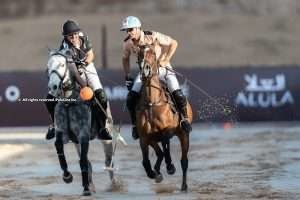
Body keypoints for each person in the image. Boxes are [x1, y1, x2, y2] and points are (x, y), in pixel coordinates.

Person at [120, 16, 192, 140]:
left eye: (131, 29)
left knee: (178, 93)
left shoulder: (152, 36)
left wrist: (166, 59)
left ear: (138, 28)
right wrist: (127, 76)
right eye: (126, 30)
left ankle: (184, 119)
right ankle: (135, 126)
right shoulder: (127, 43)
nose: (128, 33)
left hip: (162, 67)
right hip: (145, 72)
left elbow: (174, 43)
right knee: (131, 98)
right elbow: (125, 58)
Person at [45, 19, 111, 140]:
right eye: (71, 35)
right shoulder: (64, 47)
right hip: (72, 67)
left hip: (87, 65)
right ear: (65, 37)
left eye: (76, 34)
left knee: (101, 95)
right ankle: (53, 125)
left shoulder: (83, 38)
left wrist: (84, 64)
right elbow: (72, 68)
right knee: (49, 98)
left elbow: (91, 55)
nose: (74, 37)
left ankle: (103, 127)